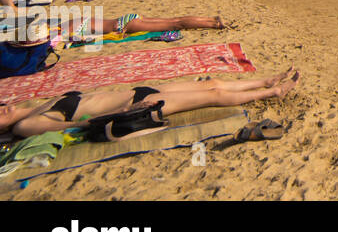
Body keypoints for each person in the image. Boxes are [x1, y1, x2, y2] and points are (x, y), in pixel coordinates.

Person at [1, 69, 299, 140]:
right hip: (139, 104)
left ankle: (264, 82)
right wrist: (124, 112)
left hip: (137, 91)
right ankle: (273, 94)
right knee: (213, 96)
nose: (2, 110)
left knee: (210, 84)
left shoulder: (39, 105)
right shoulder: (27, 124)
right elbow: (77, 124)